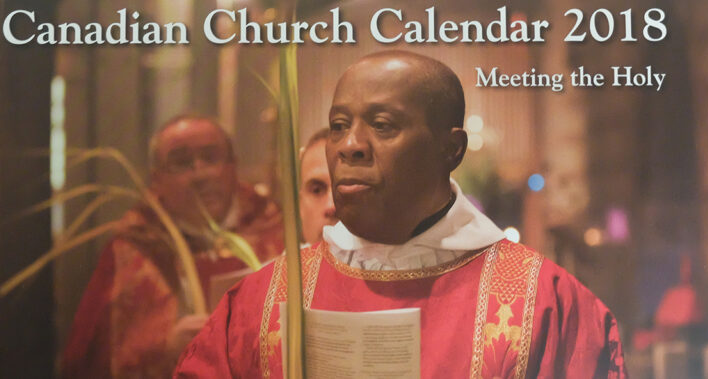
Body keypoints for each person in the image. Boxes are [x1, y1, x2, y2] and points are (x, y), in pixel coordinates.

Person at [174, 51, 627, 378]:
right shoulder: (264, 301)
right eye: (338, 125)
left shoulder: (542, 303)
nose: (350, 144)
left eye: (383, 125)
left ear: (450, 149)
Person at [62, 115, 284, 378]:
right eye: (181, 163)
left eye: (211, 157)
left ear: (233, 165)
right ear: (157, 179)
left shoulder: (276, 229)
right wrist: (164, 347)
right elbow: (91, 359)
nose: (200, 173)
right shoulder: (134, 246)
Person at [299, 128, 337, 245]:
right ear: (300, 206)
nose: (331, 206)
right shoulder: (287, 264)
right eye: (317, 190)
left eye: (347, 188)